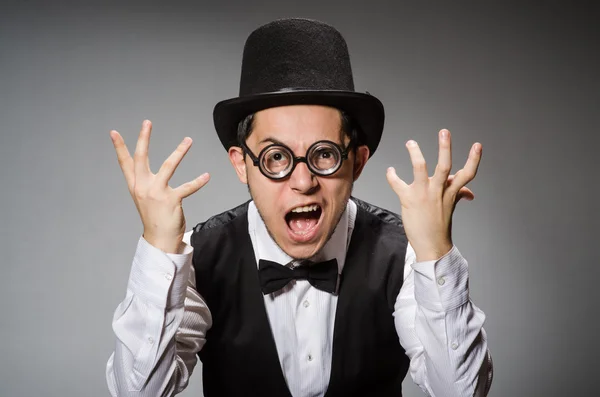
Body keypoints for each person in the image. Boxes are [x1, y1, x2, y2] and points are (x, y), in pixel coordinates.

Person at [106, 18, 492, 397]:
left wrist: (435, 254)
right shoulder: (198, 257)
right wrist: (158, 249)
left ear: (357, 161)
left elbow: (461, 391)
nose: (304, 182)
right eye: (276, 157)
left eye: (324, 154)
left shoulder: (406, 255)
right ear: (242, 164)